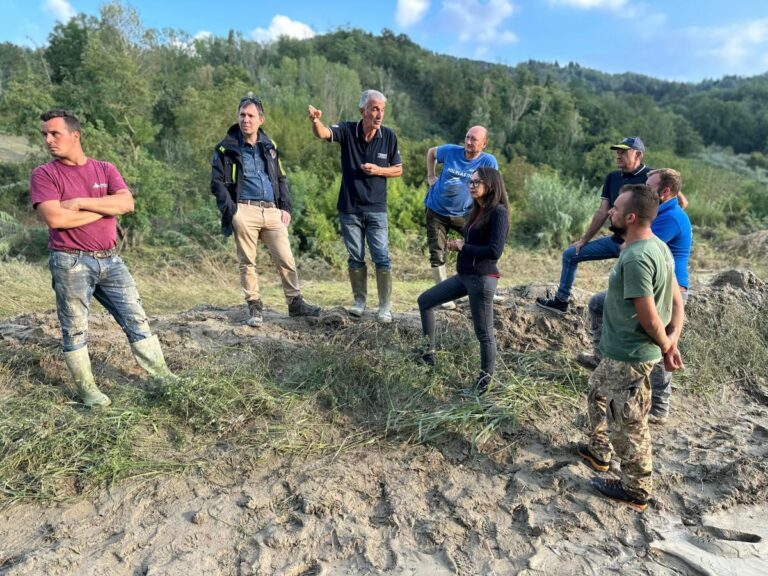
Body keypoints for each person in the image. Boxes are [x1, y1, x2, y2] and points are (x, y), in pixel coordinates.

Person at [29, 109, 176, 408]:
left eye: (54, 133)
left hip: (110, 260)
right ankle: (88, 390)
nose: (48, 140)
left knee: (136, 317)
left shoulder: (105, 169)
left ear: (75, 135)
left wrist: (81, 203)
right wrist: (107, 207)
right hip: (70, 261)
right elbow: (55, 219)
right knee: (75, 327)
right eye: (44, 134)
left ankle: (161, 376)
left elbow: (127, 203)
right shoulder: (44, 174)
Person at [576, 184, 684, 512]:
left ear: (631, 217)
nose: (610, 211)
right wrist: (673, 339)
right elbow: (678, 301)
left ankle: (636, 489)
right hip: (621, 351)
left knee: (630, 423)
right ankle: (599, 452)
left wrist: (666, 345)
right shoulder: (658, 247)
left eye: (616, 208)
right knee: (596, 391)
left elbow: (650, 316)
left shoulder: (637, 257)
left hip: (632, 355)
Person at [579, 169, 692, 425]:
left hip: (665, 287)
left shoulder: (667, 221)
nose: (644, 188)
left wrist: (668, 344)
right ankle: (604, 358)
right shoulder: (659, 212)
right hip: (658, 281)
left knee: (654, 339)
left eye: (649, 186)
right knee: (599, 303)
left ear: (664, 192)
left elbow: (633, 249)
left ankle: (659, 406)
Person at [211, 95, 320, 326]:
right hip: (244, 210)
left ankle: (295, 303)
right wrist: (232, 211)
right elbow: (217, 183)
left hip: (271, 211)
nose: (245, 120)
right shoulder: (225, 148)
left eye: (251, 116)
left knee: (286, 258)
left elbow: (280, 177)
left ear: (261, 119)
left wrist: (285, 207)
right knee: (247, 262)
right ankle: (254, 307)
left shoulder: (270, 147)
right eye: (242, 115)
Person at [308, 90, 402, 322]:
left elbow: (398, 169)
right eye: (374, 109)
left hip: (376, 208)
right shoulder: (348, 130)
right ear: (362, 111)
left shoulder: (389, 136)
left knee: (381, 256)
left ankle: (384, 307)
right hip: (349, 207)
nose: (379, 114)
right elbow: (323, 134)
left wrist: (379, 170)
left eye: (382, 109)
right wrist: (316, 120)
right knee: (355, 257)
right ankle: (359, 302)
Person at [416, 166, 510, 396]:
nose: (472, 185)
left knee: (484, 333)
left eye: (477, 182)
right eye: (470, 181)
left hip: (481, 279)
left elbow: (494, 251)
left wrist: (463, 246)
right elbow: (474, 241)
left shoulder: (498, 212)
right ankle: (428, 356)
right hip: (464, 277)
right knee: (425, 301)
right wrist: (459, 244)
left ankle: (483, 386)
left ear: (491, 185)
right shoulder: (476, 209)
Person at [536, 136, 652, 315]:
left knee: (628, 283)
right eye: (617, 152)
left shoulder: (652, 177)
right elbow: (602, 212)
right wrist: (583, 240)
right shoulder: (612, 177)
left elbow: (675, 200)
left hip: (639, 245)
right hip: (616, 240)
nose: (618, 155)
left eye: (623, 152)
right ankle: (561, 301)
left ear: (638, 154)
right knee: (570, 254)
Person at [425, 126, 499, 309]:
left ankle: (486, 287)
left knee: (482, 246)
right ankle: (444, 295)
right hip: (437, 209)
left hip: (466, 213)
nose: (468, 142)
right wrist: (431, 176)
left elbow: (493, 185)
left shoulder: (488, 161)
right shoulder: (451, 151)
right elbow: (431, 152)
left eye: (474, 139)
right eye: (467, 137)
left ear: (484, 143)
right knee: (437, 250)